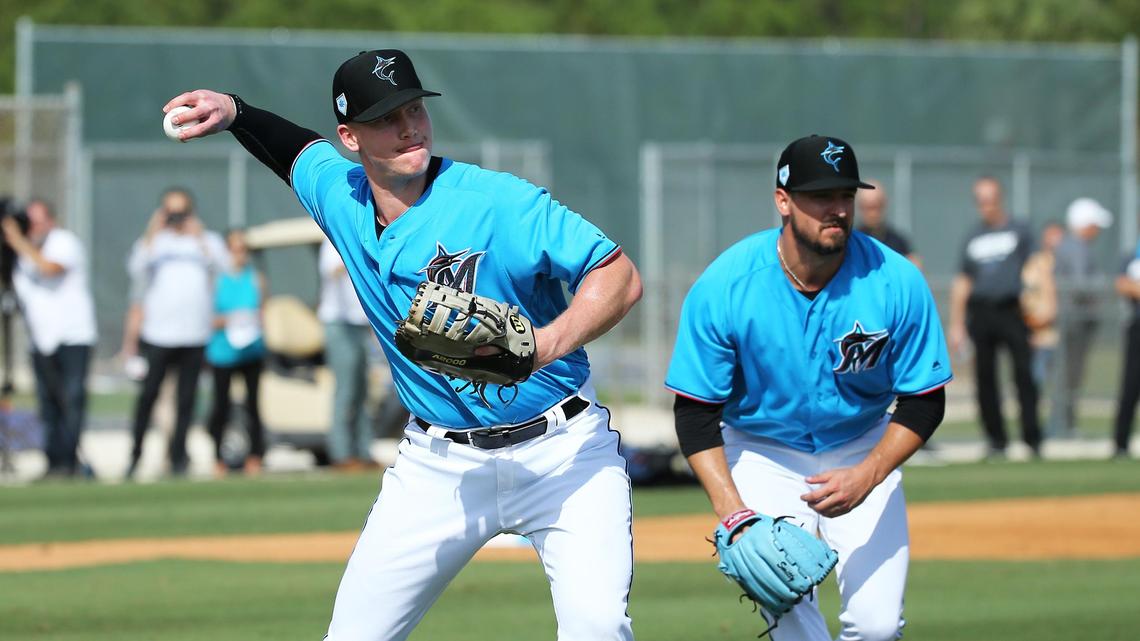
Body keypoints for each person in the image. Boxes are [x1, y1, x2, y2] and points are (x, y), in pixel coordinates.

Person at [163, 48, 642, 640]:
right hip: (438, 465)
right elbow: (290, 151)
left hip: (564, 453)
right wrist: (233, 110)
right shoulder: (341, 197)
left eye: (414, 108)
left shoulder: (498, 202)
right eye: (387, 117)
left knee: (598, 626)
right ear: (350, 137)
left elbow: (618, 274)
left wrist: (544, 345)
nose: (409, 126)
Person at [666, 135, 951, 640]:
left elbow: (925, 401)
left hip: (863, 441)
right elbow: (694, 413)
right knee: (790, 609)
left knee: (877, 625)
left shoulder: (895, 280)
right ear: (783, 201)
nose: (837, 209)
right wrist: (735, 514)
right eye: (820, 196)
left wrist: (869, 473)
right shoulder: (726, 285)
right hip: (761, 449)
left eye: (845, 195)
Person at [125, 188, 228, 478]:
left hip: (194, 334)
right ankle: (135, 456)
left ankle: (179, 458)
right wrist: (154, 230)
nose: (177, 218)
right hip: (158, 333)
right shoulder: (155, 243)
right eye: (171, 212)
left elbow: (224, 267)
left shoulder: (206, 241)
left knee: (187, 401)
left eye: (182, 211)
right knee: (147, 397)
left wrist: (198, 235)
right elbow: (136, 269)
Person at [2, 199, 97, 478]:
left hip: (73, 335)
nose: (32, 228)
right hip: (41, 339)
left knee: (72, 398)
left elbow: (49, 268)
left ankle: (70, 461)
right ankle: (54, 462)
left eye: (37, 221)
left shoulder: (62, 242)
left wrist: (17, 240)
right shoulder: (20, 254)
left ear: (51, 221)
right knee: (47, 404)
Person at [948, 176, 1041, 459]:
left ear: (1000, 198)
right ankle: (996, 440)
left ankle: (1032, 439)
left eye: (990, 199)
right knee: (985, 378)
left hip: (1012, 309)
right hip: (982, 312)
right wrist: (956, 323)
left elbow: (1037, 267)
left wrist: (1039, 302)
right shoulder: (973, 237)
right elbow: (963, 280)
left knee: (1024, 374)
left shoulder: (1019, 230)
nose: (986, 206)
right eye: (981, 200)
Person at [205, 228, 267, 477]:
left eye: (243, 249)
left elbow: (263, 311)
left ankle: (256, 455)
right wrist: (230, 320)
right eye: (234, 249)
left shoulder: (256, 279)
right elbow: (208, 317)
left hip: (251, 349)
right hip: (223, 351)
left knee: (253, 405)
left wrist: (252, 320)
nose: (239, 255)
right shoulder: (216, 280)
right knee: (221, 405)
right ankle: (218, 457)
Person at [1050, 198, 1113, 437]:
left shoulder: (1074, 246)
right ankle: (1062, 427)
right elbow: (1079, 286)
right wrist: (1099, 292)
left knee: (1070, 376)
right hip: (1073, 323)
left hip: (1076, 322)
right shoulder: (1075, 247)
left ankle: (1065, 425)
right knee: (1068, 376)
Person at [318, 237, 378, 471]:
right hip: (339, 323)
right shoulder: (332, 240)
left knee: (363, 392)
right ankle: (341, 453)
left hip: (360, 323)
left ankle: (364, 451)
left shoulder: (361, 236)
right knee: (345, 390)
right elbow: (331, 271)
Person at [1021, 221, 1064, 389]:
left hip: (1064, 336)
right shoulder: (1035, 263)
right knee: (1037, 384)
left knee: (1063, 388)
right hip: (1040, 337)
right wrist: (1029, 322)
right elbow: (1025, 296)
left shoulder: (1067, 264)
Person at [1111, 239, 1140, 460]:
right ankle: (1120, 444)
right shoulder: (1134, 253)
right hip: (1137, 326)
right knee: (1130, 385)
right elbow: (1121, 283)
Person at [855, 178, 922, 267]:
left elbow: (914, 264)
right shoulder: (853, 241)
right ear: (860, 207)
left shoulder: (898, 241)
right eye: (868, 207)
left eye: (877, 206)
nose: (873, 213)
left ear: (884, 204)